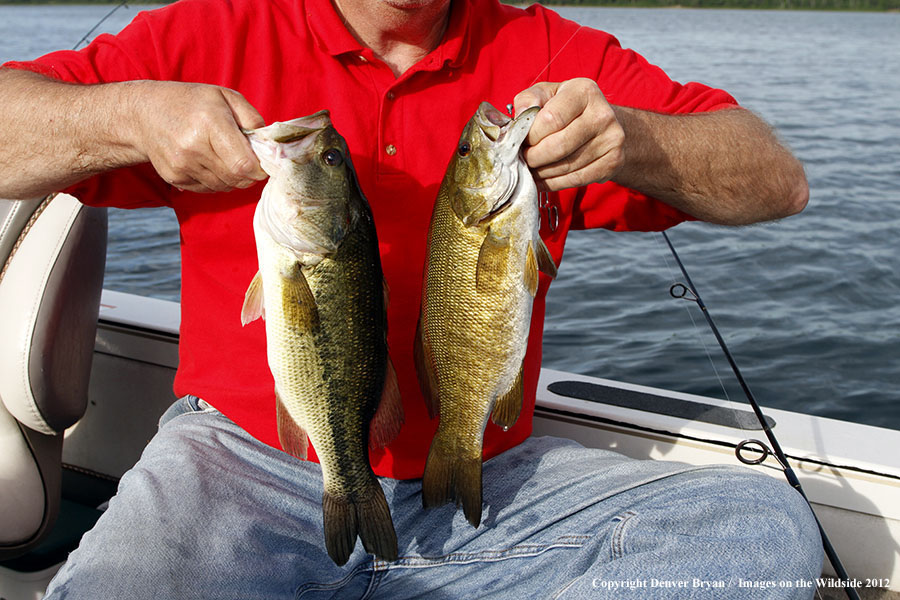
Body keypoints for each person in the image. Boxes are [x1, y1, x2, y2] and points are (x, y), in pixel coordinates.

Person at [0, 0, 821, 597]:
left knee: (761, 529)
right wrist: (131, 115)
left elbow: (778, 180)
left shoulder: (550, 50)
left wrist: (632, 139)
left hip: (487, 477)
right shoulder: (209, 31)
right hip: (241, 463)